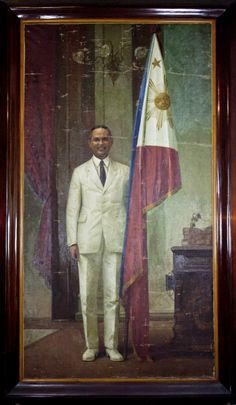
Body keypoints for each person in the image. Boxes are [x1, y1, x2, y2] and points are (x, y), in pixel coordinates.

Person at [66, 125, 129, 362]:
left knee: (112, 296)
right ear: (90, 143)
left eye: (104, 139)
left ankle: (112, 346)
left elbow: (130, 206)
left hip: (115, 239)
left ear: (110, 142)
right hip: (86, 240)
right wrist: (72, 240)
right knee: (88, 296)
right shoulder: (79, 173)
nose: (100, 143)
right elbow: (72, 209)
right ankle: (92, 346)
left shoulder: (124, 171)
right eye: (96, 139)